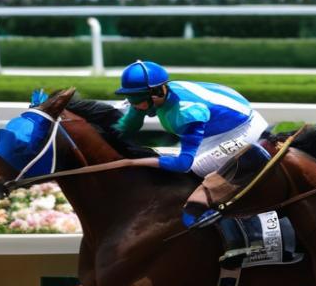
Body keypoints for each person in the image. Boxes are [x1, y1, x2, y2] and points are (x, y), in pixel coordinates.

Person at [113, 60, 269, 262]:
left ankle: (248, 236)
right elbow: (125, 126)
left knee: (196, 169)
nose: (133, 104)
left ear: (158, 93)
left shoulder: (186, 110)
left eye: (137, 99)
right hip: (216, 130)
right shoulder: (155, 95)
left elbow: (184, 164)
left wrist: (137, 162)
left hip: (243, 131)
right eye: (129, 97)